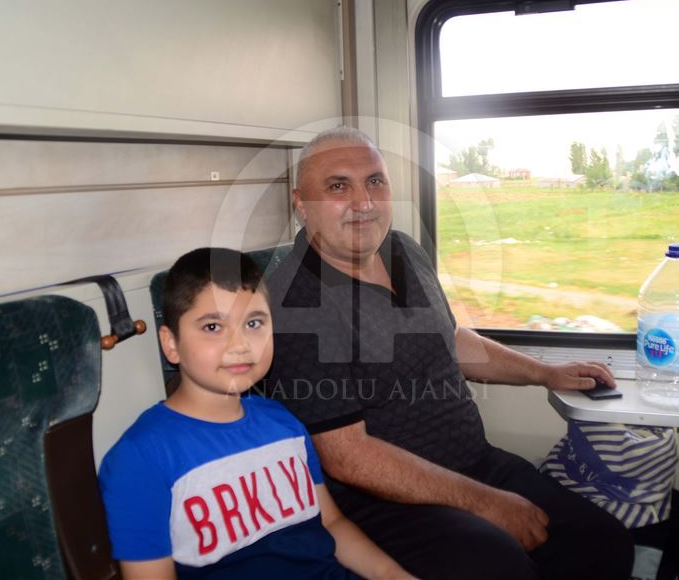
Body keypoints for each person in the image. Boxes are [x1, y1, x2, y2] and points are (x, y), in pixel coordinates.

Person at [265, 127, 635, 579]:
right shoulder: (295, 304)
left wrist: (545, 373)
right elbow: (347, 456)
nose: (364, 202)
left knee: (604, 542)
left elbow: (451, 337)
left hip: (475, 463)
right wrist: (484, 503)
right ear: (302, 204)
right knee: (505, 568)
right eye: (338, 186)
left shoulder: (404, 249)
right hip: (386, 503)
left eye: (375, 181)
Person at [98, 247, 411, 579]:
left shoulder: (283, 423)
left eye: (254, 323)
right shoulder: (140, 457)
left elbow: (331, 523)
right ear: (171, 343)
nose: (240, 345)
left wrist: (393, 575)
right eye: (213, 327)